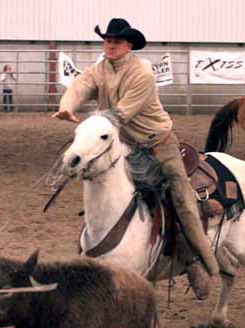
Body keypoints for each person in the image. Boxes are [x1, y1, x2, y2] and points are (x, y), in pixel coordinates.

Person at [53, 18, 219, 295]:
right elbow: (81, 84)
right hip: (122, 142)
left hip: (158, 142)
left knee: (180, 193)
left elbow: (120, 113)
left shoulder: (142, 74)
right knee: (101, 183)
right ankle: (96, 242)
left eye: (116, 41)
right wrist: (66, 105)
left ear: (129, 45)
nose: (110, 46)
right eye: (107, 41)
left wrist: (93, 124)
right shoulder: (101, 68)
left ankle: (195, 259)